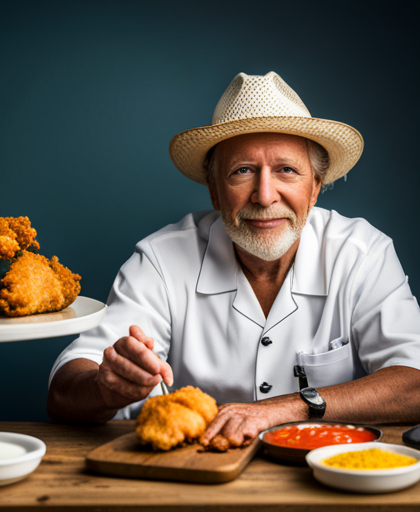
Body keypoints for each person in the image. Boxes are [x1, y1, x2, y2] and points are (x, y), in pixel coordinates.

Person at [47, 71, 420, 446]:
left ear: (315, 188)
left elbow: (415, 383)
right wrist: (106, 388)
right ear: (213, 190)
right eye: (242, 171)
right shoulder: (162, 259)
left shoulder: (362, 253)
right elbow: (64, 389)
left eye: (286, 170)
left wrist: (286, 408)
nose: (264, 195)